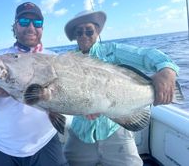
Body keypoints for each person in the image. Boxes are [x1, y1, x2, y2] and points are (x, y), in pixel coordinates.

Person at [63, 10, 179, 166]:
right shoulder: (66, 62)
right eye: (79, 32)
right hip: (80, 131)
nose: (84, 35)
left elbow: (146, 55)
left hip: (115, 128)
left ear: (97, 32)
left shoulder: (112, 50)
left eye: (89, 31)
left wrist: (167, 70)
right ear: (75, 35)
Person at [0, 2, 68, 166]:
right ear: (15, 27)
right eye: (24, 22)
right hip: (4, 147)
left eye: (37, 23)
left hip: (45, 143)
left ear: (42, 28)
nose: (31, 27)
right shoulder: (0, 58)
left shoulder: (54, 59)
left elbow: (65, 98)